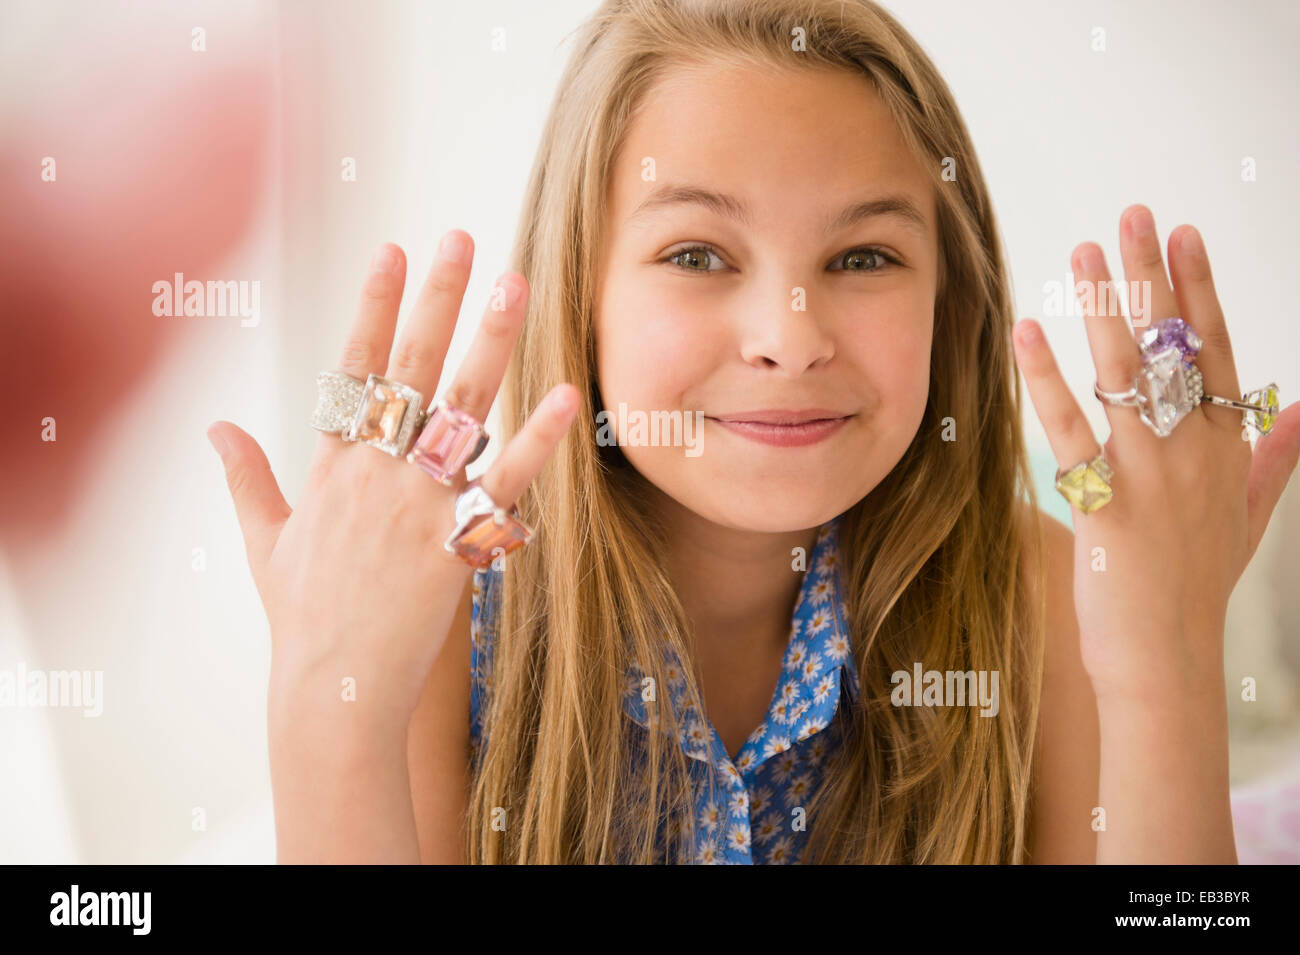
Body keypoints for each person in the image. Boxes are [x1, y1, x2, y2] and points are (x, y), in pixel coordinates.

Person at [206, 0, 1299, 864]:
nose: (790, 337)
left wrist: (1166, 659)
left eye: (863, 257)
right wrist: (324, 698)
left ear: (945, 305)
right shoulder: (436, 602)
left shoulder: (1037, 593)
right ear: (574, 301)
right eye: (697, 255)